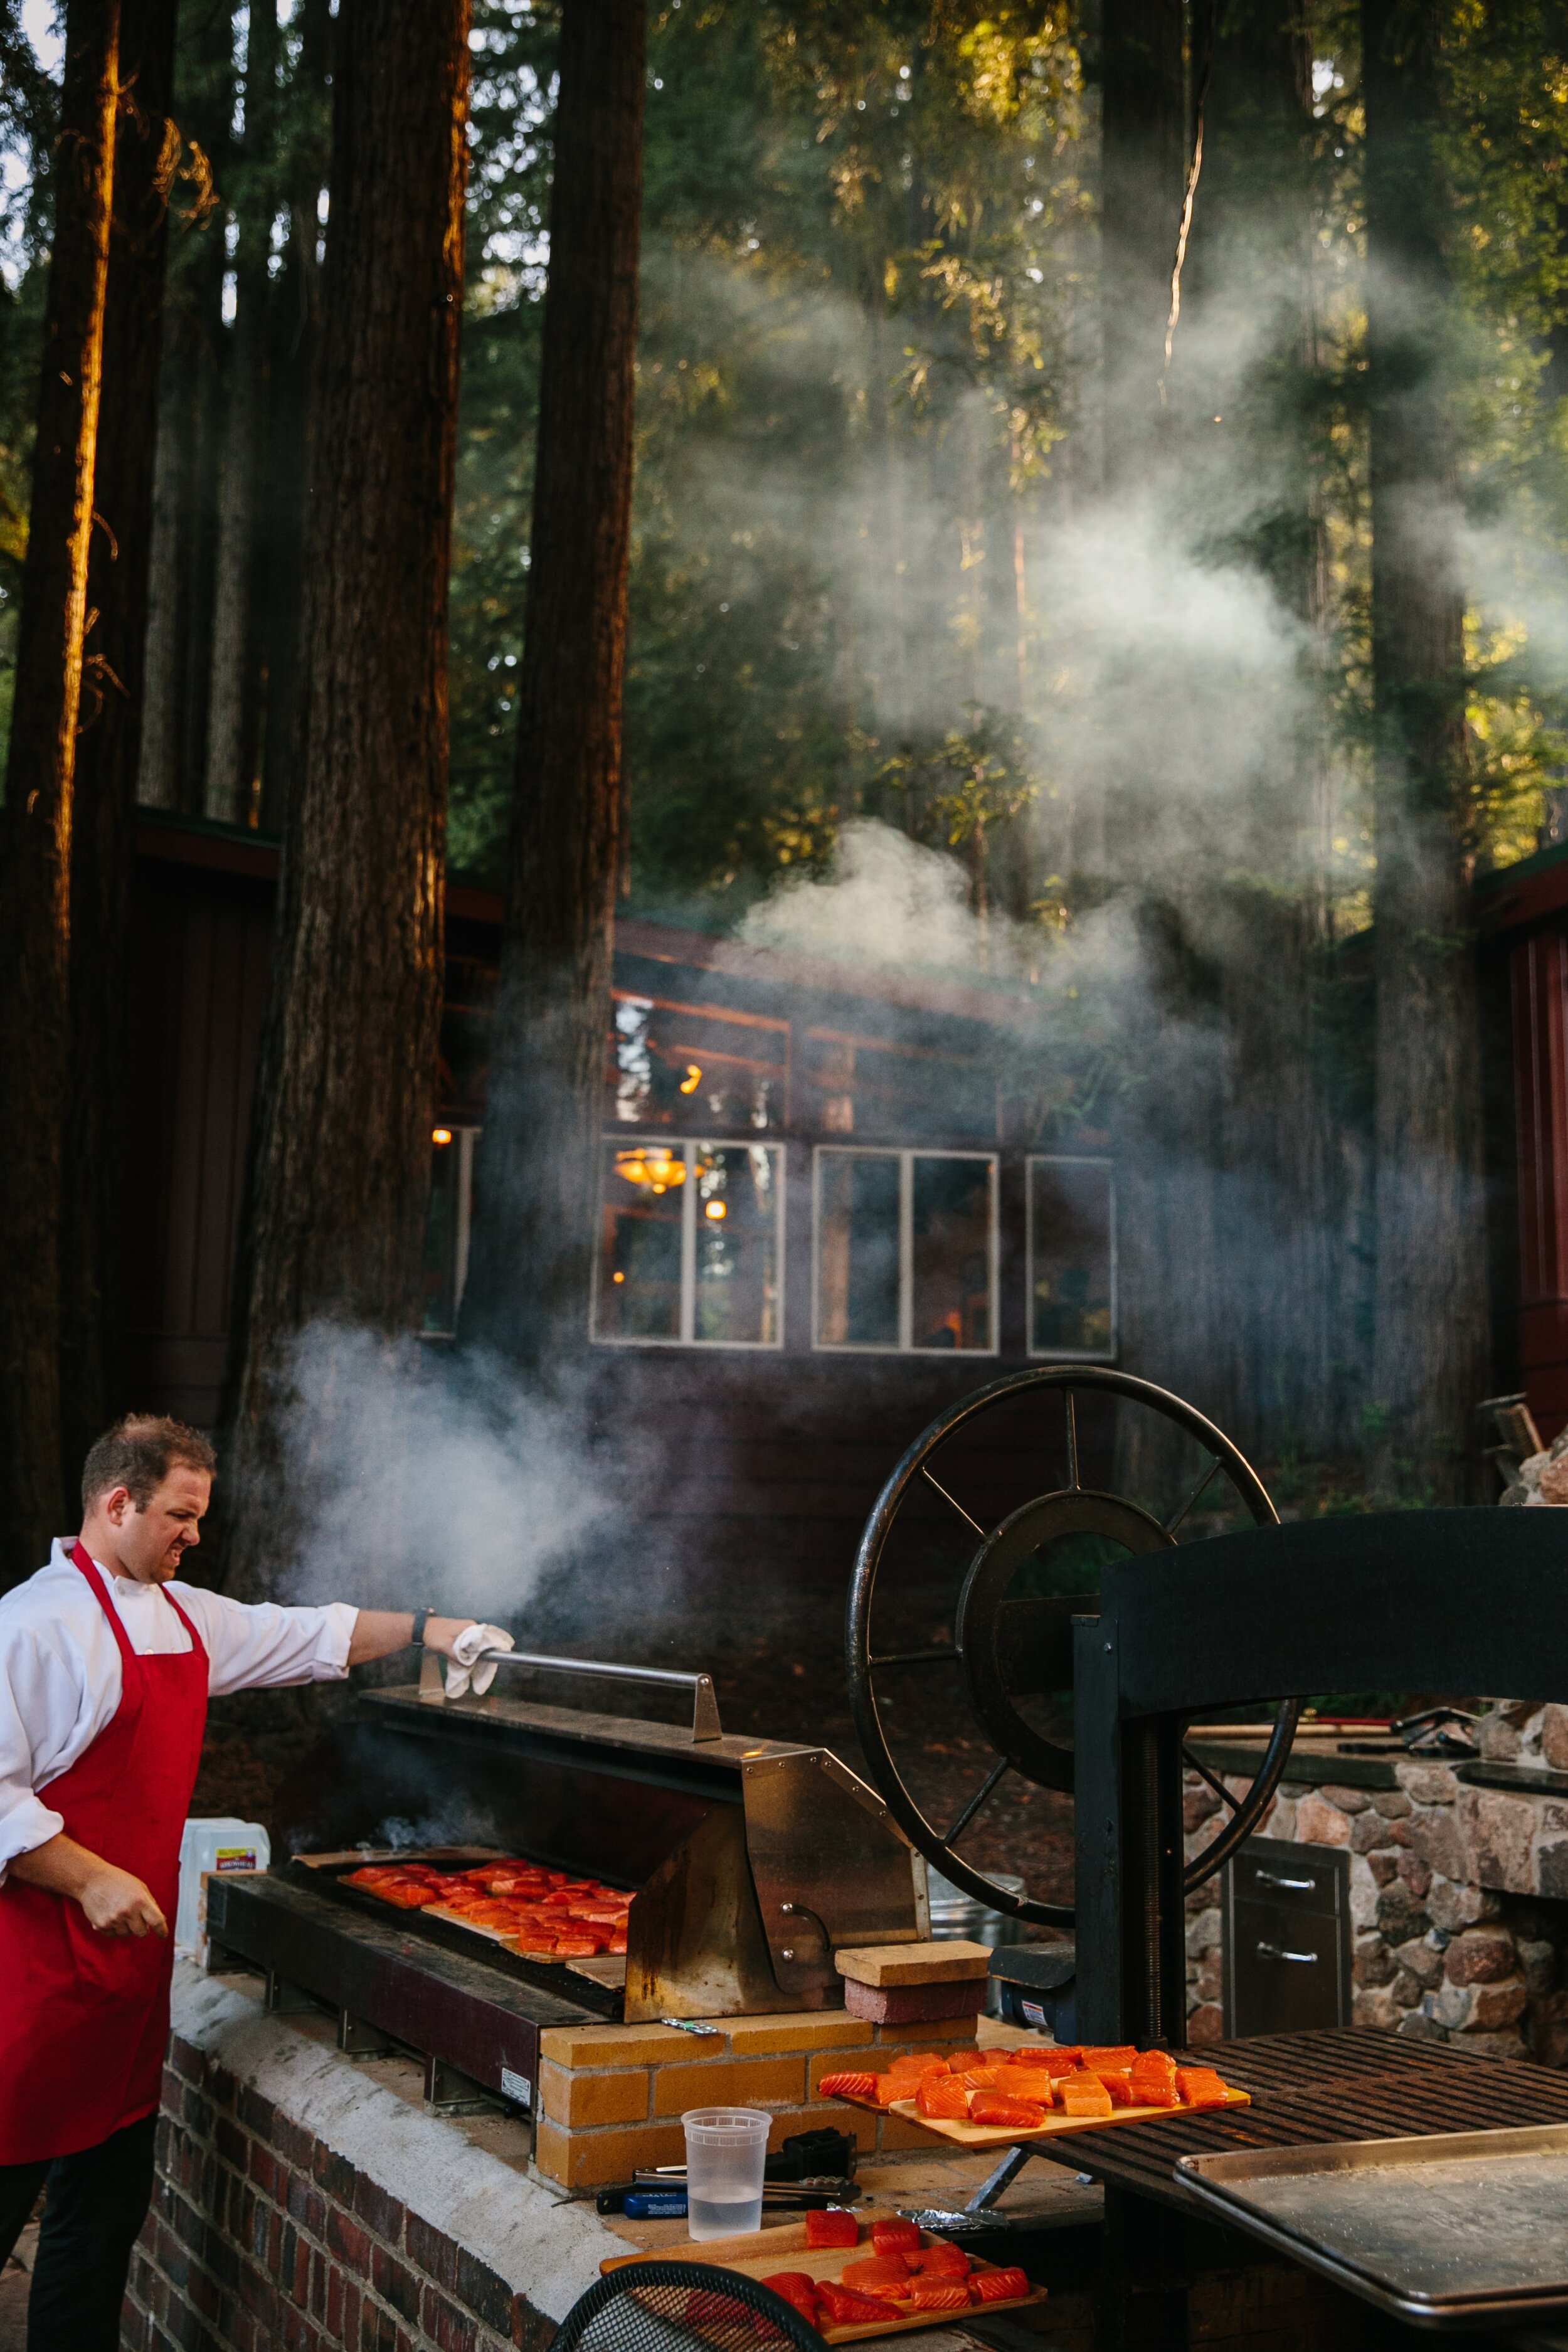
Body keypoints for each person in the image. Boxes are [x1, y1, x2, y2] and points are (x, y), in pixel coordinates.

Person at [0, 1413, 512, 2350]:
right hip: (24, 1981)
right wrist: (85, 1878)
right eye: (181, 1515)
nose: (196, 1534)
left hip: (120, 1989)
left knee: (100, 2219)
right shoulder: (31, 1626)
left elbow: (309, 1634)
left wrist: (440, 1629)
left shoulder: (182, 1616)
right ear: (118, 1503)